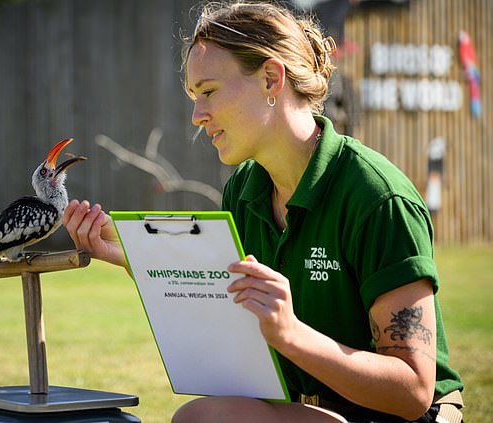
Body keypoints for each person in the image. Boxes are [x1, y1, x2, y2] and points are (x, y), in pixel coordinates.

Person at [63, 2, 464, 422]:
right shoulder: (244, 188)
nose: (197, 116)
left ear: (272, 78)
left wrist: (291, 335)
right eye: (193, 97)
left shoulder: (377, 198)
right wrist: (140, 260)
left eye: (210, 92)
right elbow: (227, 330)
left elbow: (413, 391)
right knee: (199, 416)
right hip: (305, 408)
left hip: (403, 416)